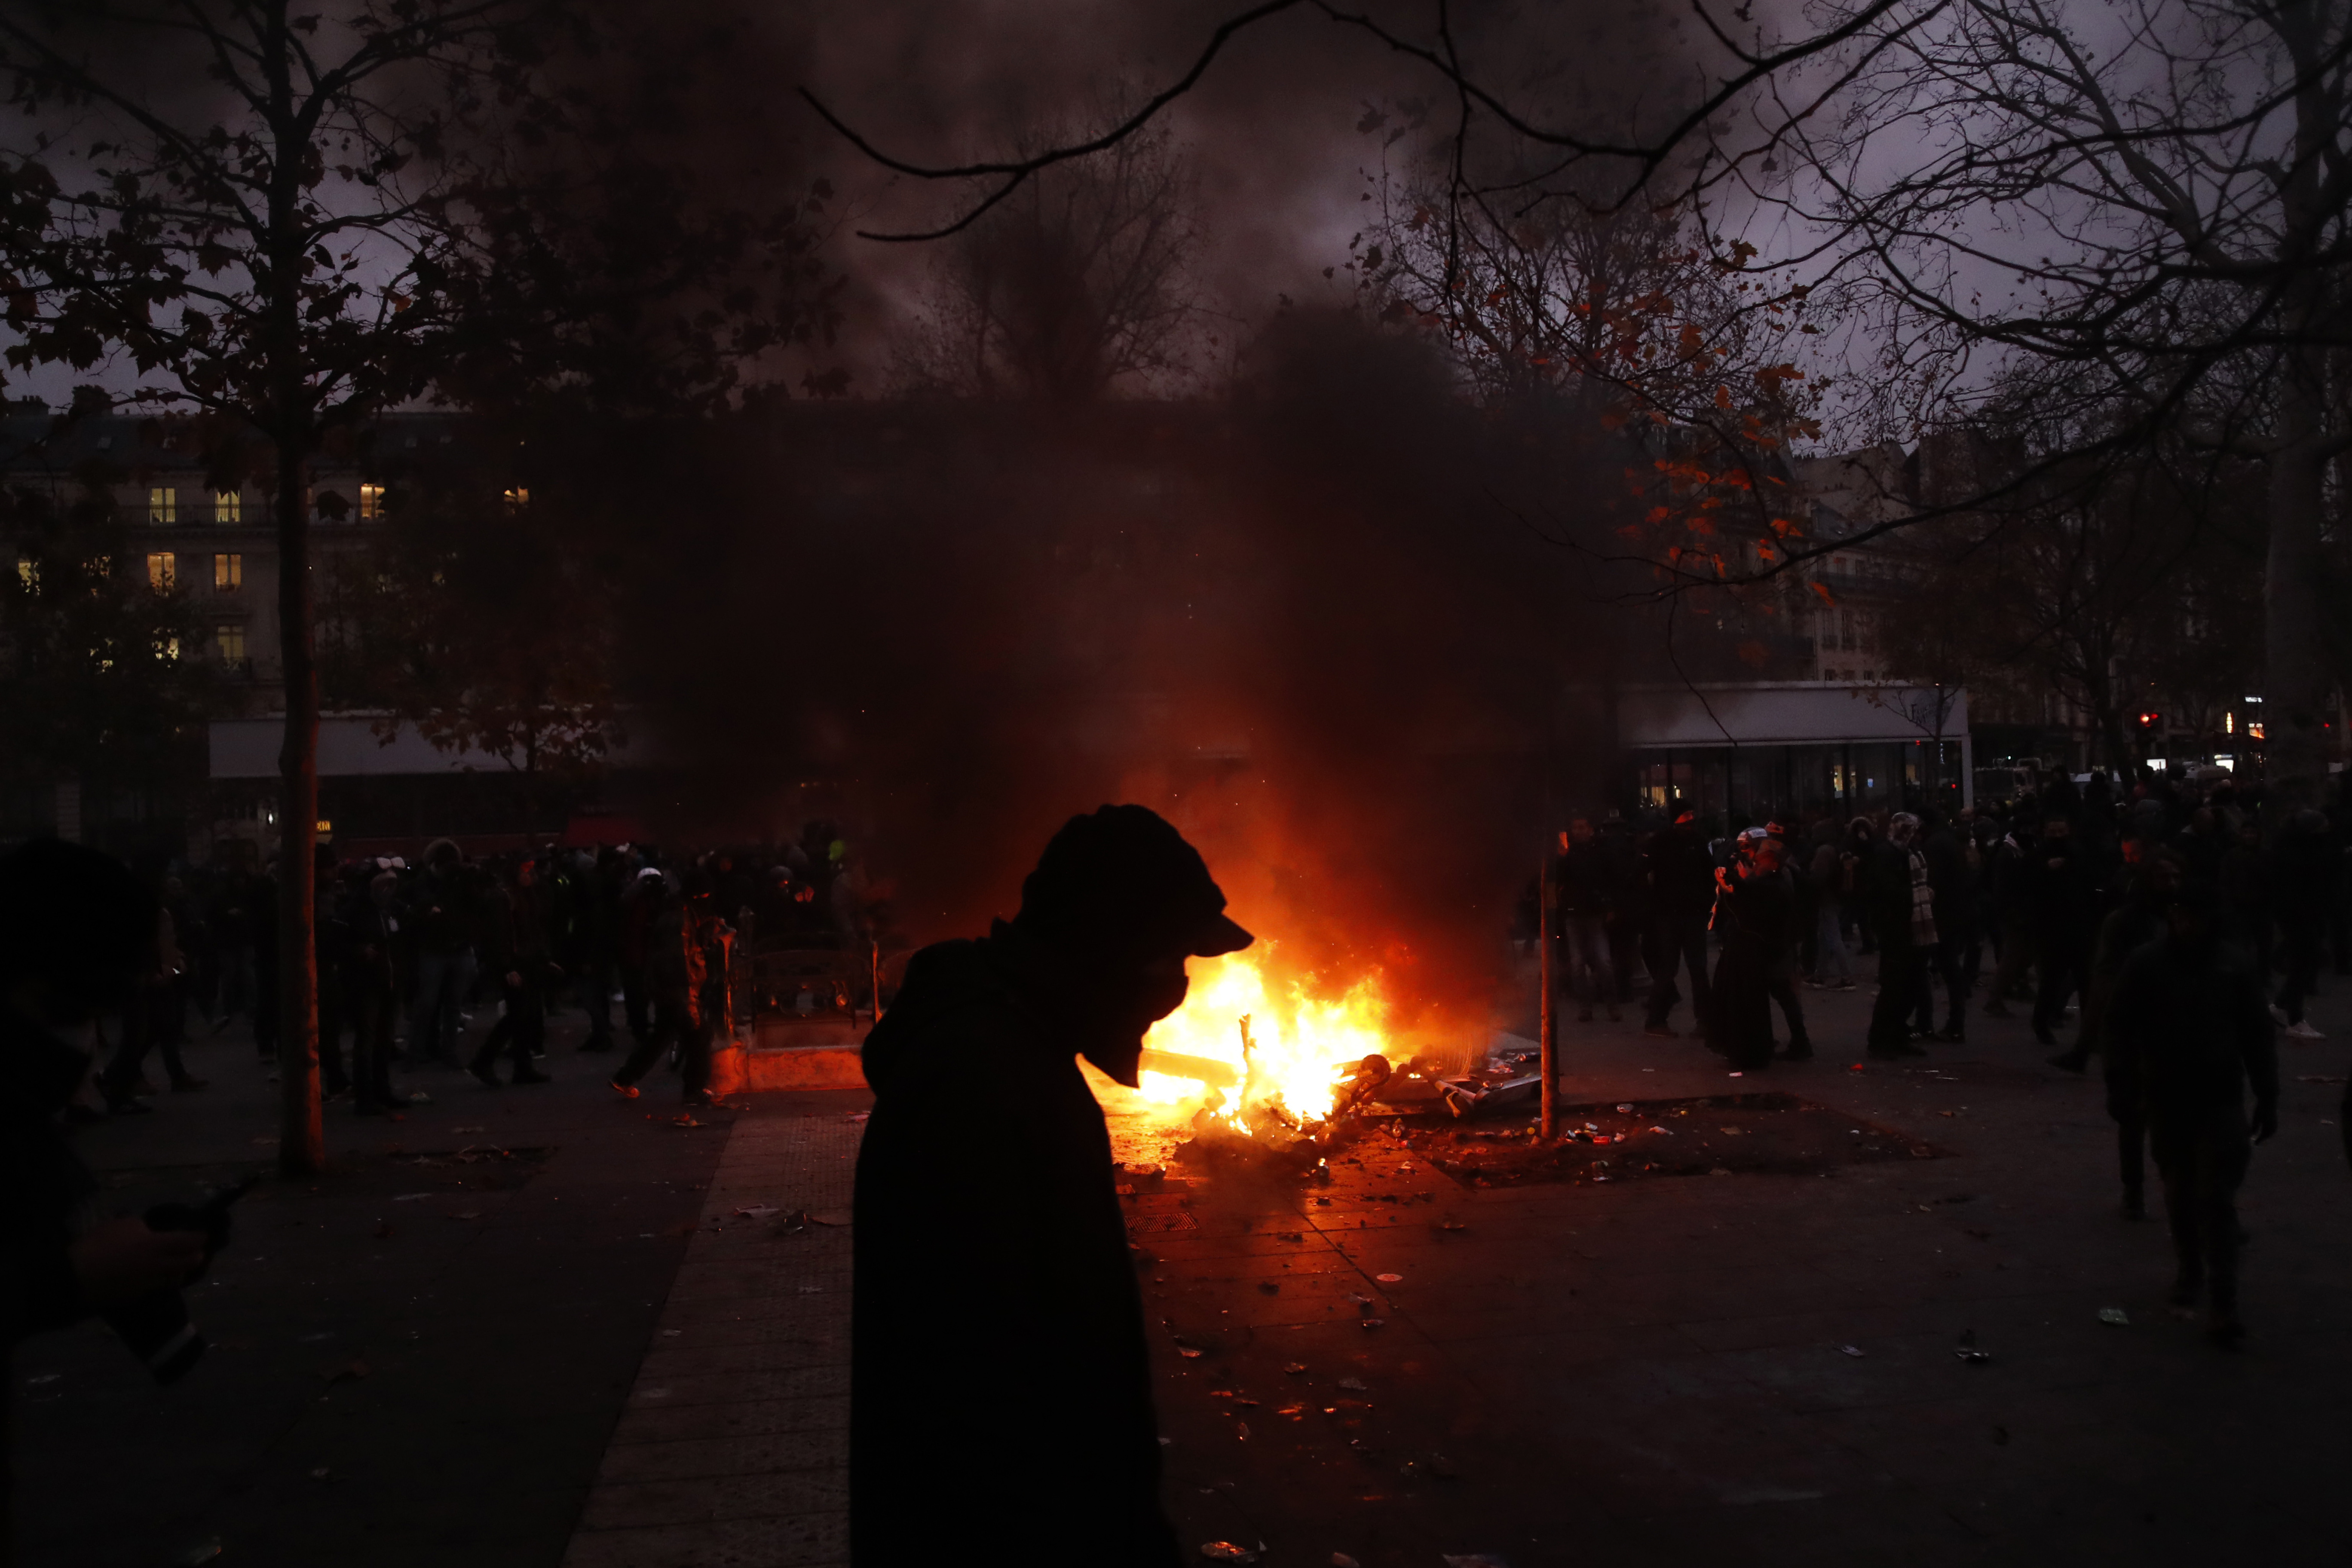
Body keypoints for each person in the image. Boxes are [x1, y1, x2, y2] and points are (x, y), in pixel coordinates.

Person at [851, 805, 1248, 1567]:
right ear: (1111, 945)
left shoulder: (1011, 1053)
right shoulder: (982, 1084)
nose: (1177, 987)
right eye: (1172, 959)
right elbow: (976, 1396)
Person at [0, 842, 213, 1547]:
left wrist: (151, 1251)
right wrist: (67, 1280)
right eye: (65, 1007)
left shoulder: (26, 1126)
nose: (83, 1043)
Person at [2106, 882, 2278, 1344]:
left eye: (2193, 917)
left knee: (2215, 1197)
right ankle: (2190, 1270)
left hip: (2219, 1095)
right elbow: (2119, 1026)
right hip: (2167, 1094)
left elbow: (2257, 1034)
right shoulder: (2148, 964)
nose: (2186, 925)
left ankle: (2224, 1301)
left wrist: (2268, 1093)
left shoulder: (2231, 966)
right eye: (2179, 915)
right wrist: (2121, 1085)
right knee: (2181, 1189)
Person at [471, 858, 555, 1088]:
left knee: (523, 1015)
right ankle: (485, 1061)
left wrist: (544, 958)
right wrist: (507, 967)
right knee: (518, 1014)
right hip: (515, 964)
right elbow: (500, 936)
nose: (530, 875)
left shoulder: (525, 896)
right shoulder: (504, 898)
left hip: (525, 962)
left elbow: (532, 932)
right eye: (525, 871)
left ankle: (521, 1066)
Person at [2022, 813, 2098, 1047]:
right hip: (2052, 928)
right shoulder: (2037, 857)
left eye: (2061, 832)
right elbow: (2028, 886)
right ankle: (2042, 1023)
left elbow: (2088, 883)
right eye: (2053, 832)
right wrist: (2045, 871)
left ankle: (2089, 1033)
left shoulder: (2078, 853)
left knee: (2085, 981)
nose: (2057, 837)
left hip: (2078, 926)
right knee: (2052, 981)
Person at [1642, 810, 1716, 1038]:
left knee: (1693, 969)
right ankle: (1660, 1020)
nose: (1689, 827)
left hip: (1685, 914)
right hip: (1673, 914)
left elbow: (1708, 874)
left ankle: (1700, 1021)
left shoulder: (1691, 842)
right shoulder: (1665, 843)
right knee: (1677, 968)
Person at [1865, 812, 1934, 1059]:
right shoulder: (1889, 855)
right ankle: (1883, 1038)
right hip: (1896, 930)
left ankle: (1895, 1035)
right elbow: (1887, 892)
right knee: (1896, 987)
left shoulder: (1907, 853)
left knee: (1908, 986)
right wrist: (1918, 895)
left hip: (1908, 928)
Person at [1553, 817, 1622, 1022]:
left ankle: (1612, 1005)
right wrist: (1562, 859)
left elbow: (1611, 879)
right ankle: (1585, 1007)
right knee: (1577, 964)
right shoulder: (1569, 854)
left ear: (1590, 830)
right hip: (1574, 913)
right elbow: (1560, 879)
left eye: (1582, 828)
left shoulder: (1600, 851)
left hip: (1594, 913)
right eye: (1575, 828)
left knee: (1604, 962)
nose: (1578, 832)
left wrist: (1610, 906)